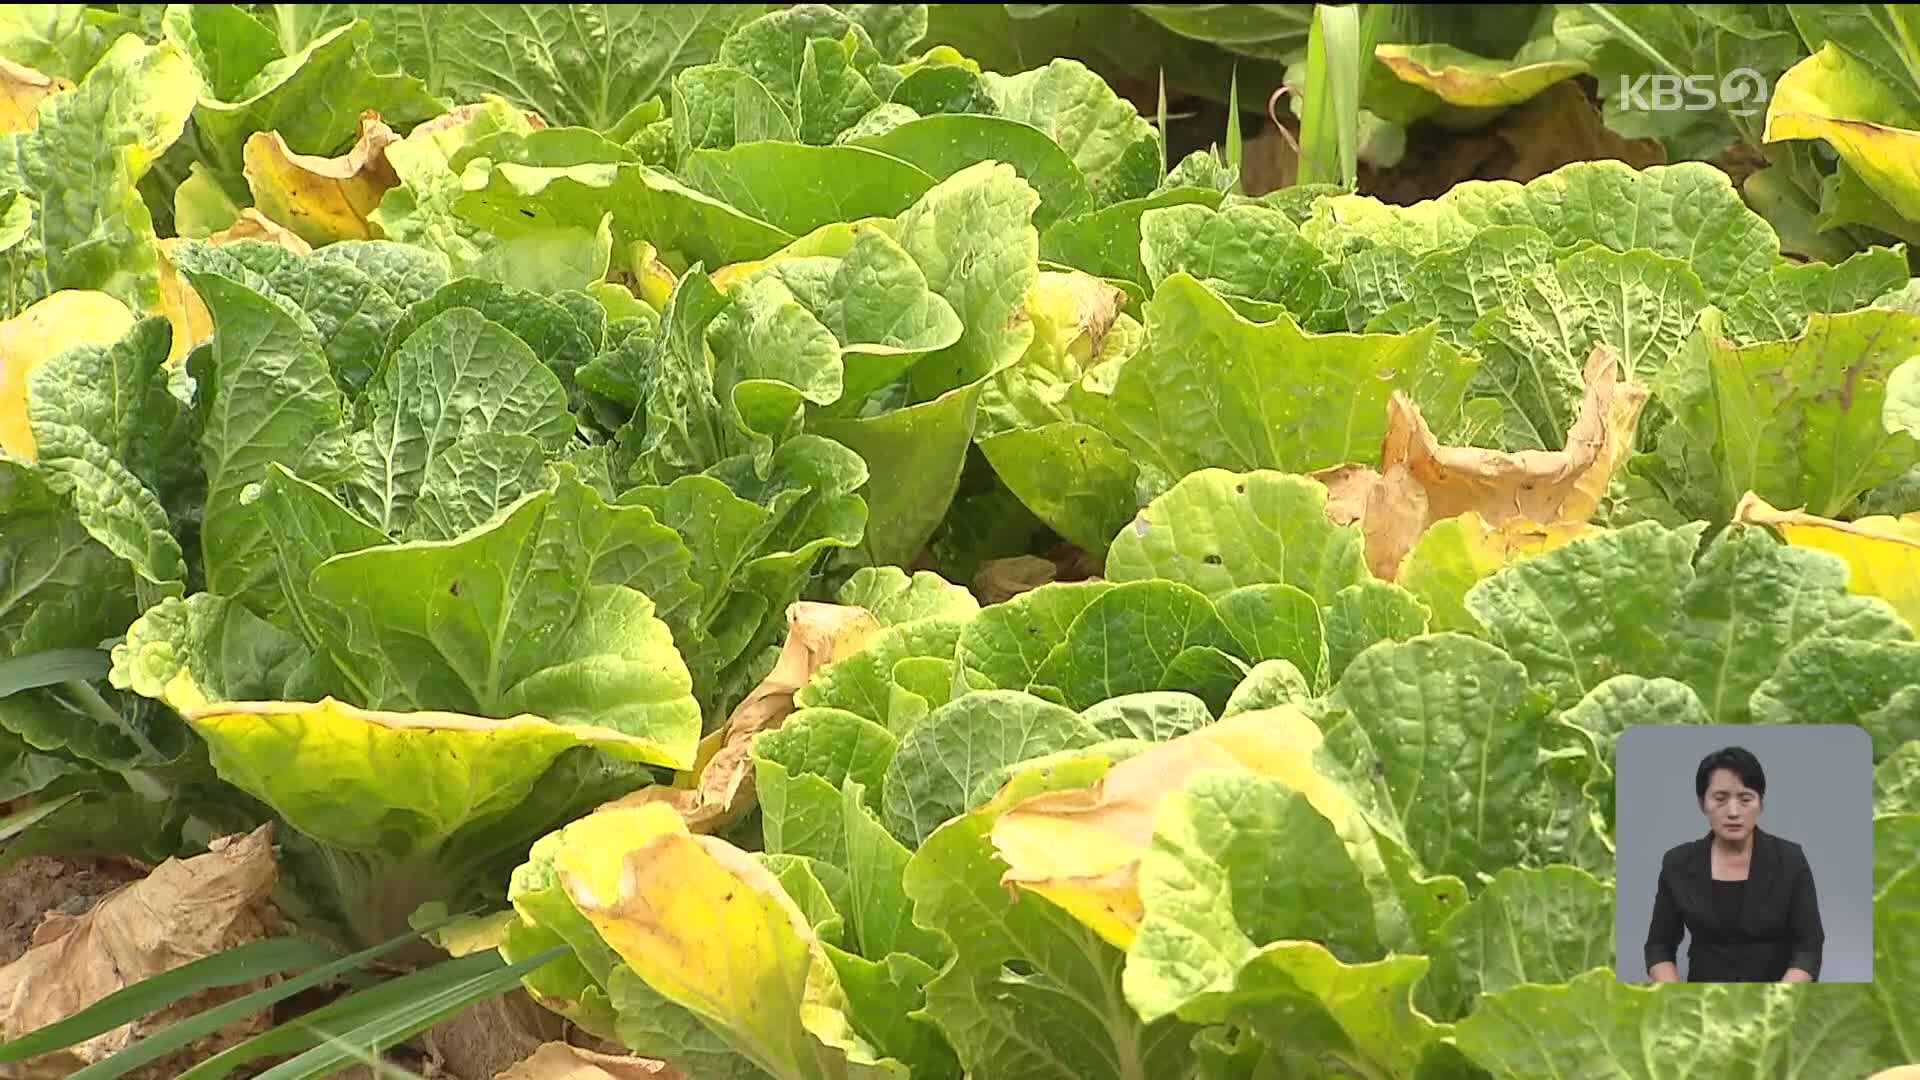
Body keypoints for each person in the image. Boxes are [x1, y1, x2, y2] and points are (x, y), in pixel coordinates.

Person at [1643, 746, 1824, 983]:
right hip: (1702, 1005)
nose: (1733, 812)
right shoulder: (1678, 863)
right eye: (1720, 799)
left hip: (1776, 998)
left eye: (1745, 799)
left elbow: (1808, 947)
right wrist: (1676, 998)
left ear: (1760, 803)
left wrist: (1777, 1002)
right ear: (1702, 803)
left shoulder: (1789, 858)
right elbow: (1659, 946)